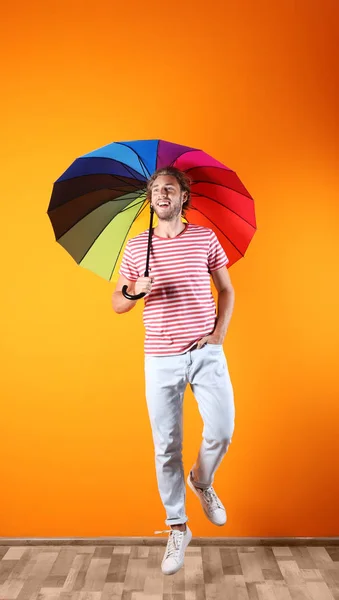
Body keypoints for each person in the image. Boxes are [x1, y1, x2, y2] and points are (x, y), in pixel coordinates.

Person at [112, 166, 235, 576]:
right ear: (150, 200)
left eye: (170, 188)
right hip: (159, 357)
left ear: (184, 197)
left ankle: (201, 479)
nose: (161, 194)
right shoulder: (137, 247)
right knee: (166, 446)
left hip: (205, 352)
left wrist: (218, 334)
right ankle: (178, 527)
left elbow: (227, 289)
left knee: (222, 429)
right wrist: (134, 290)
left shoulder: (204, 238)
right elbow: (117, 303)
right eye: (156, 189)